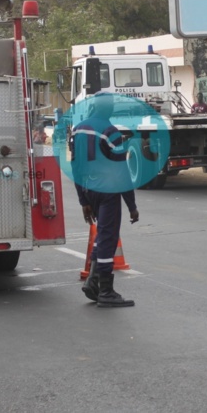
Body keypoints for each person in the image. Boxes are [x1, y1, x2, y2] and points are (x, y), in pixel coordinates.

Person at [71, 92, 137, 307]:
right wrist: (131, 206)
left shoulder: (78, 129)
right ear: (110, 110)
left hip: (88, 188)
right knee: (108, 238)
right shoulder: (111, 132)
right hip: (107, 191)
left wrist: (83, 200)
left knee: (103, 235)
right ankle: (106, 292)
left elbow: (76, 166)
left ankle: (93, 280)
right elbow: (122, 172)